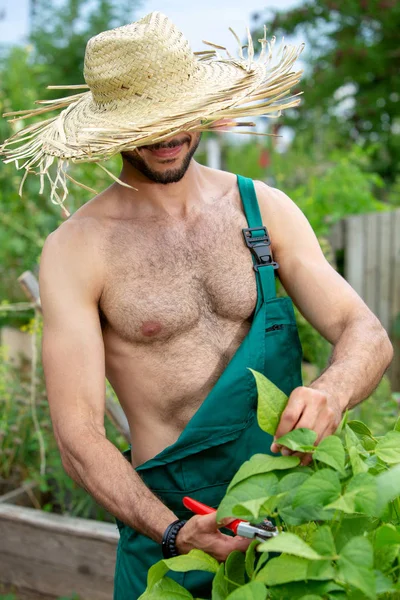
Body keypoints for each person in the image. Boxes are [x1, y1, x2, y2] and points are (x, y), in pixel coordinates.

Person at [1, 12, 393, 600]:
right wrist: (176, 531)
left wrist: (334, 390)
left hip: (293, 515)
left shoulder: (262, 209)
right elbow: (79, 435)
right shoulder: (78, 249)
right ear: (112, 127)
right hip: (171, 530)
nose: (168, 133)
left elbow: (364, 331)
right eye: (146, 120)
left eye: (178, 112)